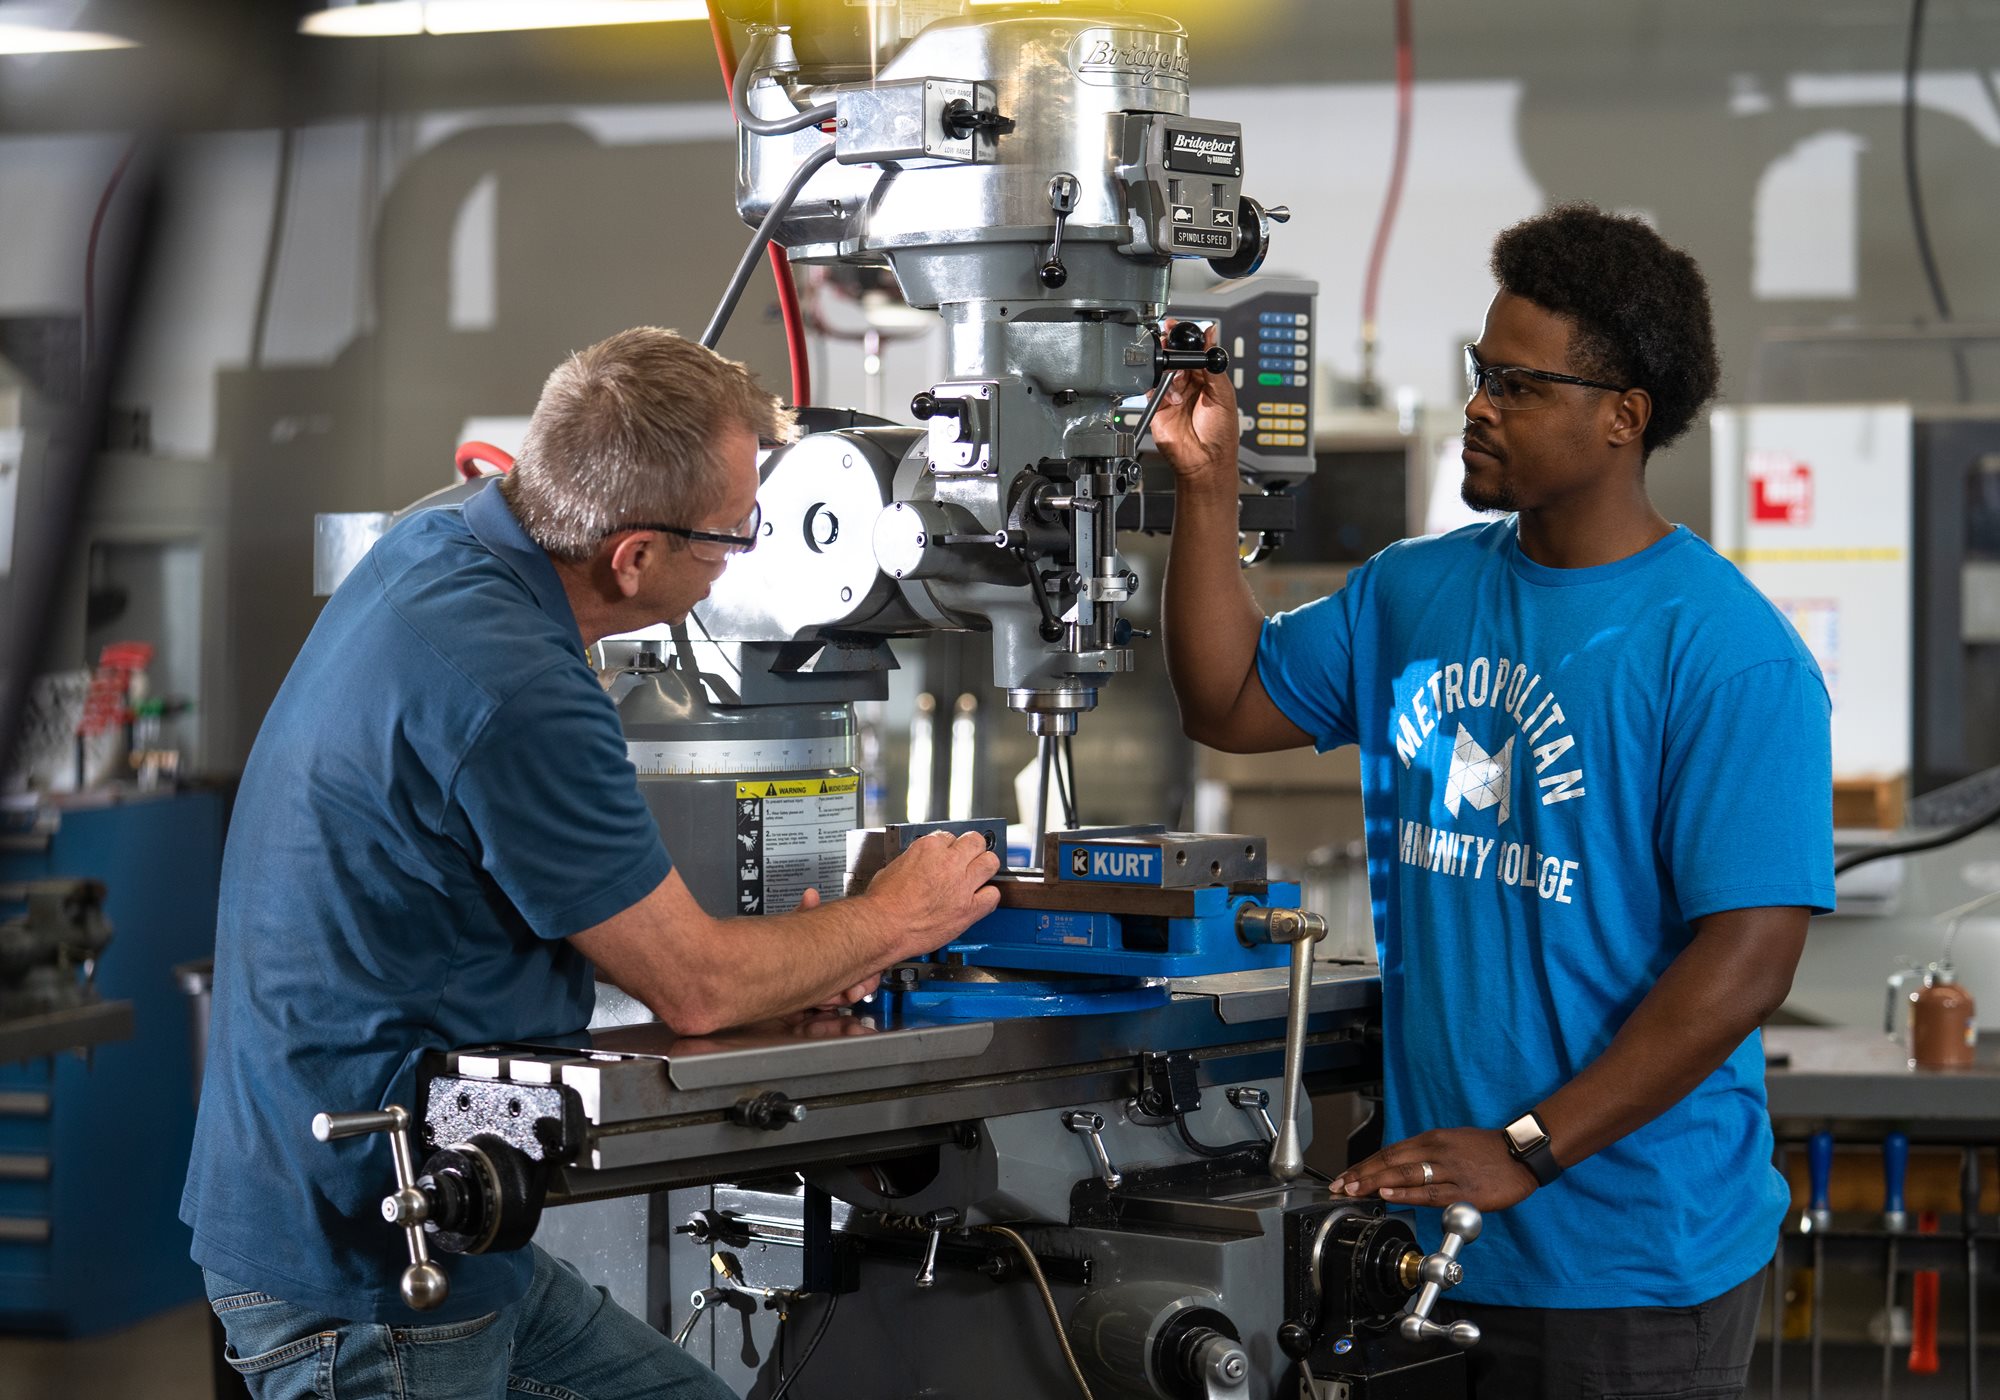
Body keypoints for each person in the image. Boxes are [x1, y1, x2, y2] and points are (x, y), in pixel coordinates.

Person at [182, 327, 1000, 1399]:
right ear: (634, 557)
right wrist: (896, 915)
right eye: (735, 536)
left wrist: (801, 957)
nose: (739, 555)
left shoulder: (432, 554)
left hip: (441, 1229)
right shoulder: (518, 680)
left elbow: (494, 893)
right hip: (372, 1263)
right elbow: (695, 985)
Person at [1154, 204, 1833, 1399]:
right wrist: (1207, 486)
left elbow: (1748, 958)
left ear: (1620, 416)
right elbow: (1227, 696)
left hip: (1628, 1260)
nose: (1477, 404)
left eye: (1517, 384)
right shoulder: (1413, 592)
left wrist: (1526, 1146)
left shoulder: (1724, 652)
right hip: (1429, 1235)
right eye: (1479, 372)